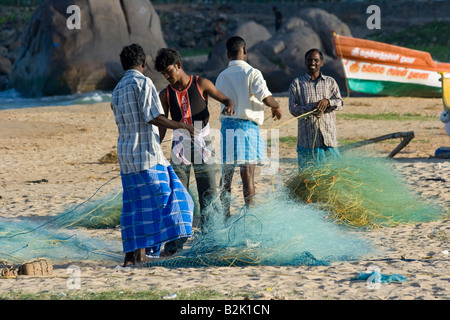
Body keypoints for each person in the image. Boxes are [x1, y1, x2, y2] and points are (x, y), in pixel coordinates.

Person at [111, 44, 195, 266]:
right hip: (147, 155)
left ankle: (132, 256)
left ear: (123, 65)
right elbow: (153, 117)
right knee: (176, 198)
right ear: (143, 64)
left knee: (134, 206)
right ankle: (146, 252)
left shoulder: (117, 88)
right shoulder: (143, 82)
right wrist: (181, 125)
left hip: (126, 157)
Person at [154, 47, 235, 232]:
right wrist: (157, 145)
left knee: (209, 192)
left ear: (178, 65)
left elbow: (227, 100)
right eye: (163, 74)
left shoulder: (201, 83)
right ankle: (177, 240)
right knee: (178, 194)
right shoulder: (165, 94)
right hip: (179, 147)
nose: (166, 76)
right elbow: (162, 124)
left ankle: (210, 235)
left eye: (168, 71)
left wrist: (229, 106)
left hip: (203, 143)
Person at [215, 36, 282, 217]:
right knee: (248, 176)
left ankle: (225, 215)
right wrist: (276, 106)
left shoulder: (221, 76)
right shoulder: (252, 73)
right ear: (244, 51)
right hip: (246, 128)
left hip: (227, 127)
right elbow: (265, 97)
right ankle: (249, 214)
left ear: (228, 54)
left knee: (226, 176)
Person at [288, 48, 343, 170]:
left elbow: (339, 103)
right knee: (307, 177)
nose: (312, 63)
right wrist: (312, 109)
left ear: (321, 62)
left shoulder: (330, 82)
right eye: (309, 60)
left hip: (328, 139)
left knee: (334, 174)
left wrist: (327, 102)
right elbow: (292, 108)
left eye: (316, 60)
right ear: (305, 62)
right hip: (307, 140)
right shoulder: (297, 83)